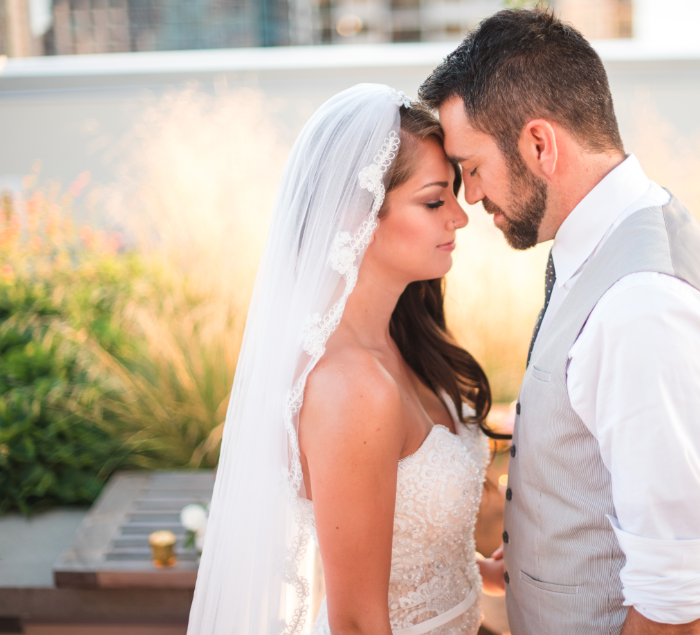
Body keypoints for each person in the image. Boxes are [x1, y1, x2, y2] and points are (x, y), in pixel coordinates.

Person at [418, 9, 700, 635]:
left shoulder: (646, 303)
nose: (469, 197)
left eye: (471, 167)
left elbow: (678, 603)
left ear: (538, 145)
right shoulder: (632, 234)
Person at [186, 83, 505, 635]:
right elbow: (357, 622)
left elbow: (392, 549)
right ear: (356, 217)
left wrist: (472, 573)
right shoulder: (350, 387)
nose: (461, 215)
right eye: (434, 200)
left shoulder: (403, 343)